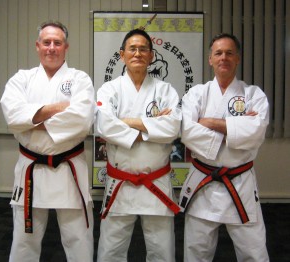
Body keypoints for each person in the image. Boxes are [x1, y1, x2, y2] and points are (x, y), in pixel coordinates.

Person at [0, 21, 95, 262]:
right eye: (46, 42)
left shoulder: (79, 79)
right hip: (32, 170)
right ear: (37, 46)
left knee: (79, 240)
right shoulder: (21, 79)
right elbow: (13, 116)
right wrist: (59, 109)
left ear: (66, 47)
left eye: (57, 42)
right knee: (24, 242)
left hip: (69, 170)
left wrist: (32, 118)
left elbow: (82, 120)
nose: (51, 47)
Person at [179, 33, 270, 262]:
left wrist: (208, 122)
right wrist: (236, 127)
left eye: (229, 53)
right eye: (218, 53)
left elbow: (256, 132)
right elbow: (187, 131)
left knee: (254, 252)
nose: (224, 58)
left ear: (237, 58)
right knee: (196, 252)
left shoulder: (253, 95)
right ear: (210, 59)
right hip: (204, 181)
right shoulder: (196, 94)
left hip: (240, 183)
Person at [96, 28, 182, 262]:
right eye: (132, 49)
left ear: (151, 55)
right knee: (111, 250)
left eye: (143, 49)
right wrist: (152, 126)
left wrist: (125, 122)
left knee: (162, 250)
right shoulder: (110, 89)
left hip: (156, 181)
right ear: (122, 54)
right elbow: (104, 126)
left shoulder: (165, 90)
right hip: (120, 182)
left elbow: (172, 128)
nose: (138, 53)